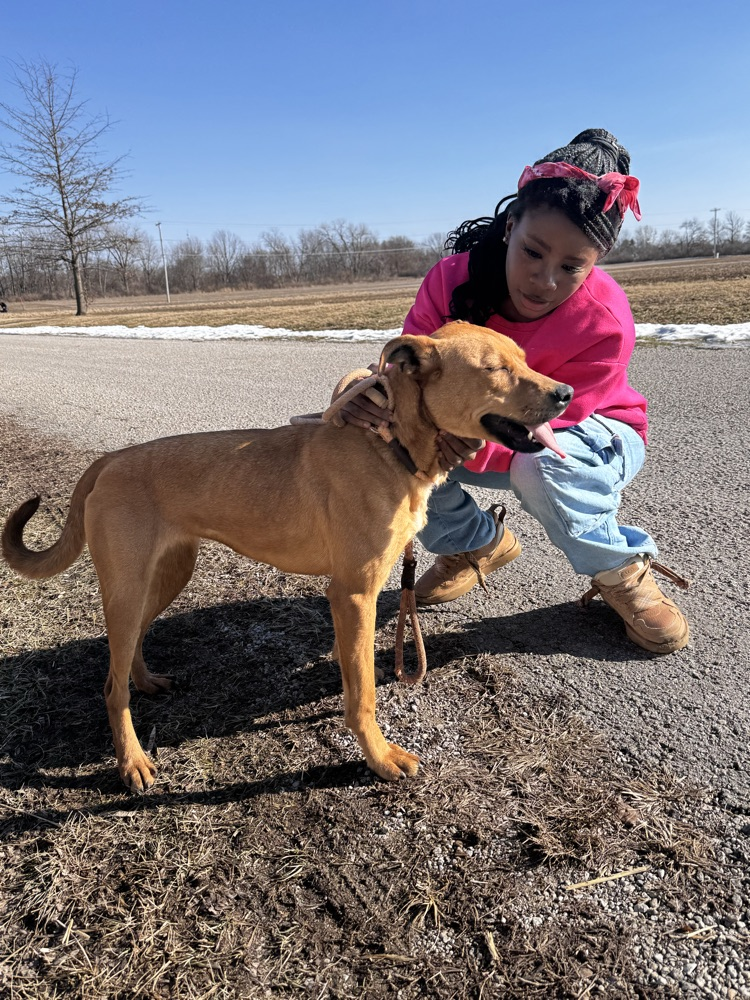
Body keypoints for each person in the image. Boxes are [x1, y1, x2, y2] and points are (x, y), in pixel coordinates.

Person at [342, 128, 689, 655]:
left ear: (595, 264)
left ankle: (621, 571)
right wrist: (361, 393)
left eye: (572, 267)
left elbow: (550, 428)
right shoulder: (450, 281)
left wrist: (458, 440)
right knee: (378, 443)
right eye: (533, 252)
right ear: (509, 228)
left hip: (585, 432)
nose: (545, 280)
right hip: (478, 427)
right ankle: (473, 542)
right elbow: (408, 376)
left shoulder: (607, 322)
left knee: (541, 467)